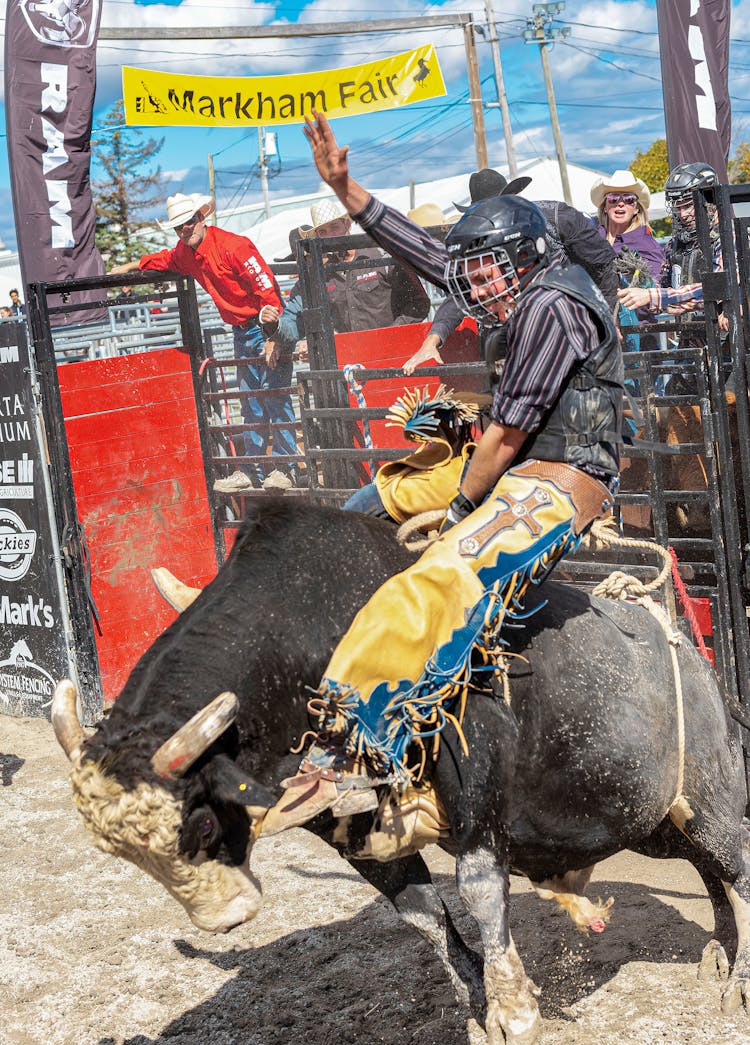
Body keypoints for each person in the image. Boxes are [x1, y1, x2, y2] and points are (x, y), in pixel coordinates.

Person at [269, 113, 622, 830]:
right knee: (382, 495)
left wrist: (460, 514)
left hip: (561, 476)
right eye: (473, 273)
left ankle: (368, 748)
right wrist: (348, 193)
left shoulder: (554, 304)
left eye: (485, 269)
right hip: (522, 463)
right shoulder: (520, 283)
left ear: (523, 257)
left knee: (440, 574)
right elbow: (429, 253)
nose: (472, 284)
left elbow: (504, 435)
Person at [113, 192, 299, 492]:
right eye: (178, 227)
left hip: (264, 324)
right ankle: (252, 470)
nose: (184, 230)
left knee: (274, 395)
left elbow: (266, 287)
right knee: (251, 400)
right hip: (242, 330)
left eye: (187, 222)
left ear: (201, 217)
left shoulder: (233, 246)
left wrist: (273, 335)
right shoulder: (187, 253)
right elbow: (164, 259)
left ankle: (286, 468)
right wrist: (130, 266)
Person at [402, 166, 619, 374]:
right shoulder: (481, 239)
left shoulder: (557, 217)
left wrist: (606, 317)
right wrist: (433, 338)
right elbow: (465, 291)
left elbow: (602, 264)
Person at [264, 198, 430, 368]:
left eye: (334, 227)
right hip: (352, 360)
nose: (330, 236)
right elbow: (302, 318)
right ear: (318, 237)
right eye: (323, 232)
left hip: (395, 353)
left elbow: (419, 303)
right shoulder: (322, 274)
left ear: (347, 225)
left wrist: (391, 334)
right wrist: (275, 331)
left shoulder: (382, 255)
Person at [618, 163, 723, 328]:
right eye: (677, 206)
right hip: (689, 339)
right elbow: (665, 293)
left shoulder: (727, 237)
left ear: (710, 199)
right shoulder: (674, 245)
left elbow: (716, 289)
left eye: (688, 205)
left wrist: (653, 296)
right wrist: (642, 281)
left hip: (726, 343)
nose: (683, 214)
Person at [590, 170, 664, 352]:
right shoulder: (590, 238)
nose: (620, 203)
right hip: (596, 333)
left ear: (637, 208)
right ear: (605, 206)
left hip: (638, 334)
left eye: (629, 199)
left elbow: (652, 289)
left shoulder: (647, 244)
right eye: (613, 198)